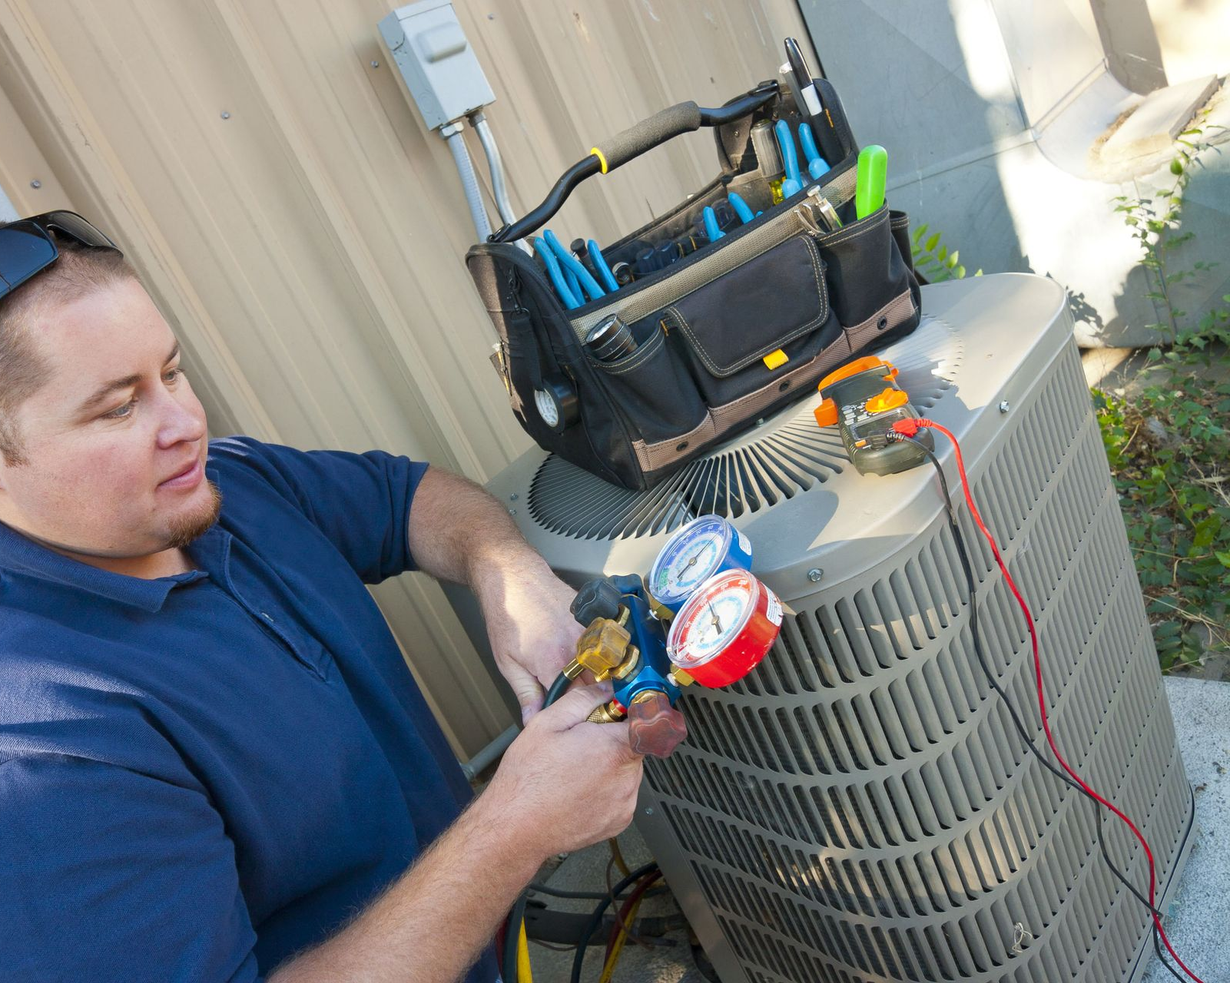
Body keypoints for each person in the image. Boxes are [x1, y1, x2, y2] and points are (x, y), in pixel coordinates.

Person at [0, 211, 644, 982]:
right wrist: (515, 829)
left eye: (170, 371)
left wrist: (509, 574)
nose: (186, 423)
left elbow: (409, 497)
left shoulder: (225, 485)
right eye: (117, 407)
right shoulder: (44, 753)